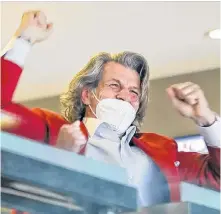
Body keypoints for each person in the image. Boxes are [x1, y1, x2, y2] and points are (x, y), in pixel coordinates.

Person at [1, 11, 220, 208]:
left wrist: (206, 118)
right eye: (114, 85)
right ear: (87, 94)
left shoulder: (162, 152)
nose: (125, 96)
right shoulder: (54, 132)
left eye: (134, 91)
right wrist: (23, 40)